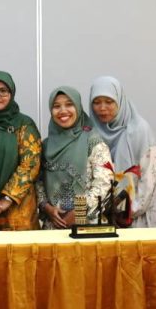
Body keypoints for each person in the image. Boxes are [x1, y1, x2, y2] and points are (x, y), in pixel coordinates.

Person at [89, 76, 156, 227]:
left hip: (138, 217)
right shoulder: (90, 134)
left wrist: (127, 212)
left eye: (109, 101)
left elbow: (149, 179)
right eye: (96, 102)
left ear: (120, 100)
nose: (102, 108)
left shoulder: (139, 130)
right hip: (104, 220)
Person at [36, 86, 113, 229]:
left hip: (87, 226)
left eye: (69, 104)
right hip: (53, 226)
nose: (63, 111)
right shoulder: (45, 146)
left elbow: (104, 182)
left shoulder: (92, 140)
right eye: (56, 106)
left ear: (78, 107)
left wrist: (79, 212)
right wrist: (47, 208)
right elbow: (38, 182)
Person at [0, 71, 41, 231]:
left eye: (3, 91)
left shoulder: (24, 124)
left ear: (12, 94)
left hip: (19, 212)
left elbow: (30, 165)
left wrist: (8, 198)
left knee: (22, 248)